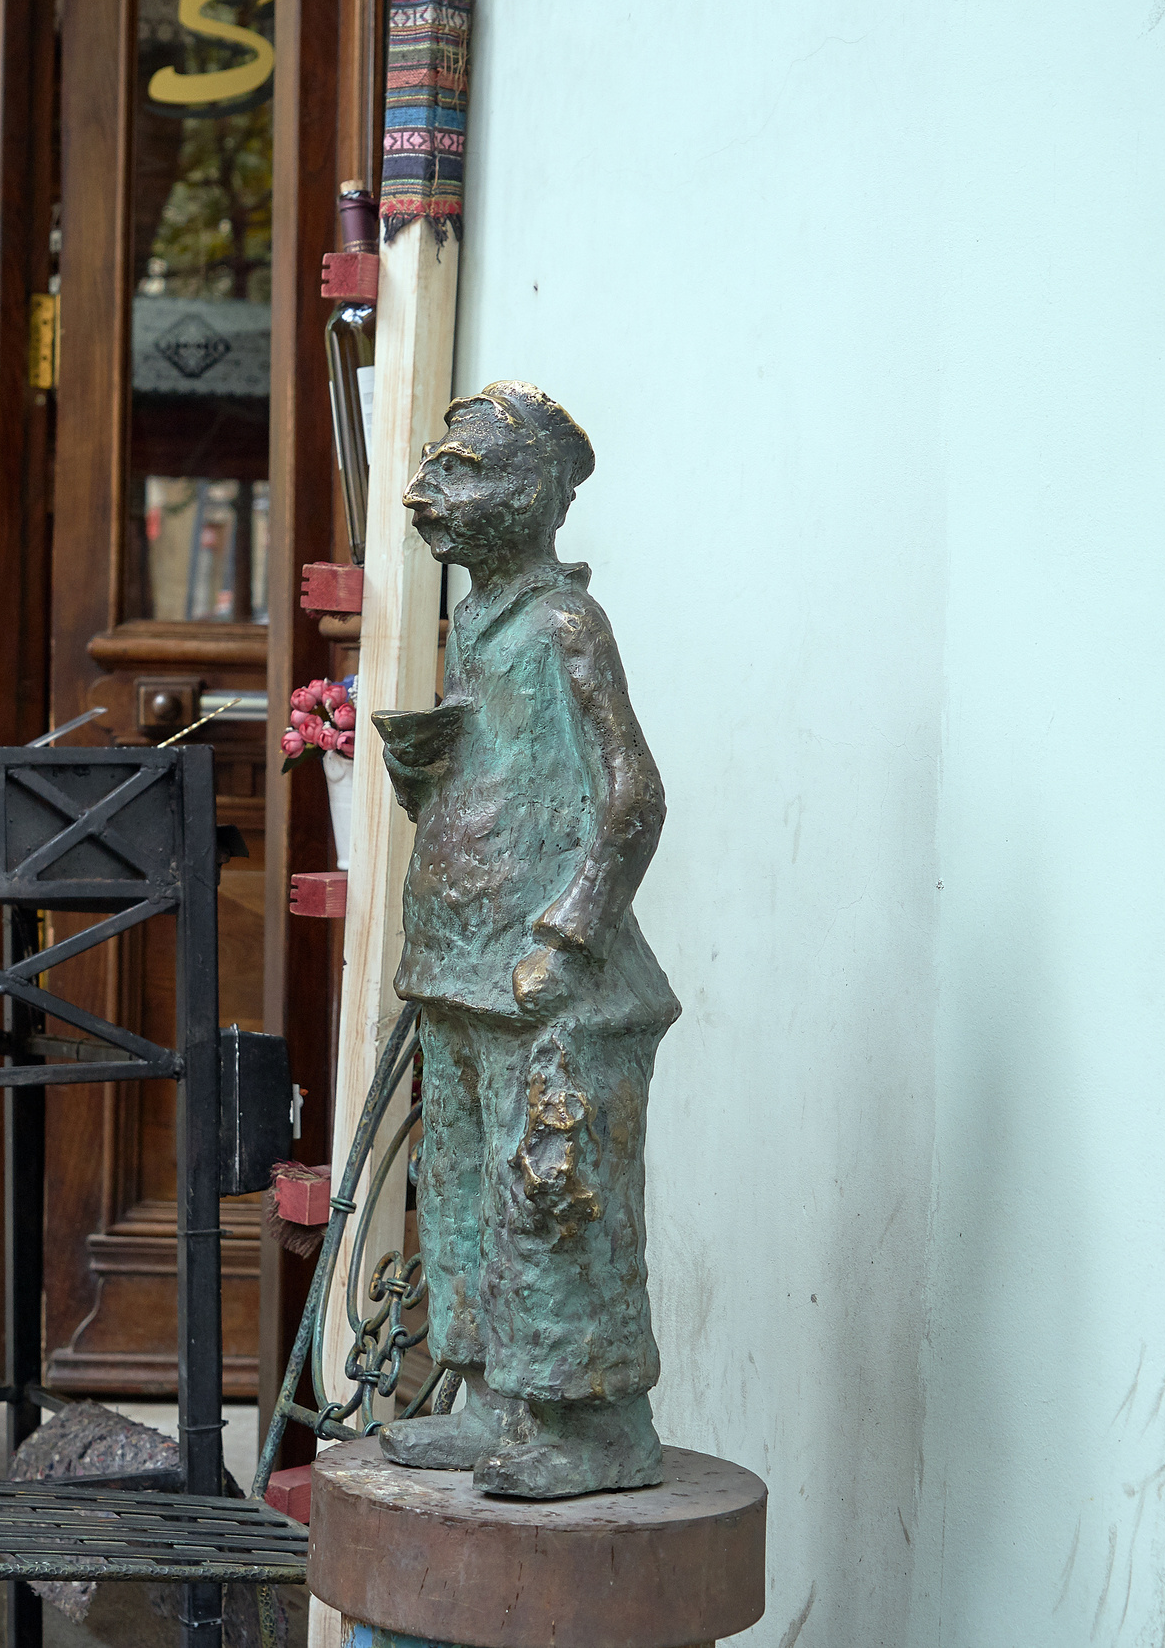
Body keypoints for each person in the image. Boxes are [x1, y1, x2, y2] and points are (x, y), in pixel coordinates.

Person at [373, 382, 681, 1499]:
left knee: (550, 1194)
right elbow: (512, 780)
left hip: (543, 975)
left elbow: (631, 796)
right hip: (462, 966)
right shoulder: (485, 626)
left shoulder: (563, 623)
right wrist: (428, 772)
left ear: (534, 494)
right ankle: (496, 1397)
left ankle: (592, 1427)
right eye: (429, 468)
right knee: (459, 1189)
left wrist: (570, 935)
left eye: (455, 470)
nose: (423, 493)